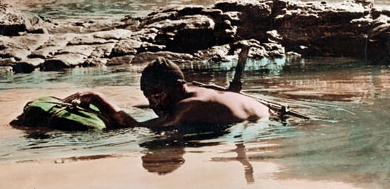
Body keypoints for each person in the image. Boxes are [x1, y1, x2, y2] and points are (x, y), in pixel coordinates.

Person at [63, 58, 269, 129]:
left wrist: (98, 98)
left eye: (157, 95)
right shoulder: (197, 91)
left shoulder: (188, 107)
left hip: (262, 126)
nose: (153, 103)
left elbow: (135, 128)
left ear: (179, 85)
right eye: (148, 97)